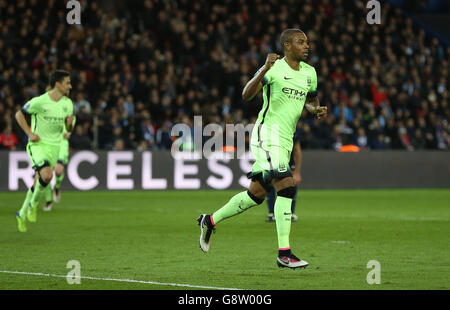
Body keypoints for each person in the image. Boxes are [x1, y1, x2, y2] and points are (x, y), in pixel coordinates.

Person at [197, 29, 327, 269]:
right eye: (301, 42)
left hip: (285, 140)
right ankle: (284, 253)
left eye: (307, 42)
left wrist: (313, 109)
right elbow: (246, 95)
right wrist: (264, 68)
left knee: (255, 194)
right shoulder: (274, 68)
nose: (307, 46)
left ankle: (210, 220)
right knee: (286, 185)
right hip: (266, 135)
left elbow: (311, 98)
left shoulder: (310, 73)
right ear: (287, 45)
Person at [15, 70, 74, 232]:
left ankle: (21, 213)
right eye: (67, 82)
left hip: (55, 147)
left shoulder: (67, 104)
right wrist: (29, 133)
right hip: (38, 145)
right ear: (58, 84)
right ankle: (33, 205)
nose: (70, 85)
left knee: (42, 180)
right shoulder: (39, 102)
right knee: (47, 175)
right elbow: (19, 114)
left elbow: (68, 128)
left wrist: (69, 124)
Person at [43, 116, 76, 211]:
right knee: (46, 173)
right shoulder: (50, 112)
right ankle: (49, 201)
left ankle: (57, 187)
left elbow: (67, 134)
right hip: (48, 144)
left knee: (58, 171)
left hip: (61, 145)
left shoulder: (70, 114)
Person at [266, 133, 302, 222]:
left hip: (277, 163)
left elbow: (297, 151)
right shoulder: (291, 131)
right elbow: (297, 152)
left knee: (273, 186)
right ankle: (288, 213)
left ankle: (274, 213)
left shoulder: (269, 130)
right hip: (283, 163)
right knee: (288, 186)